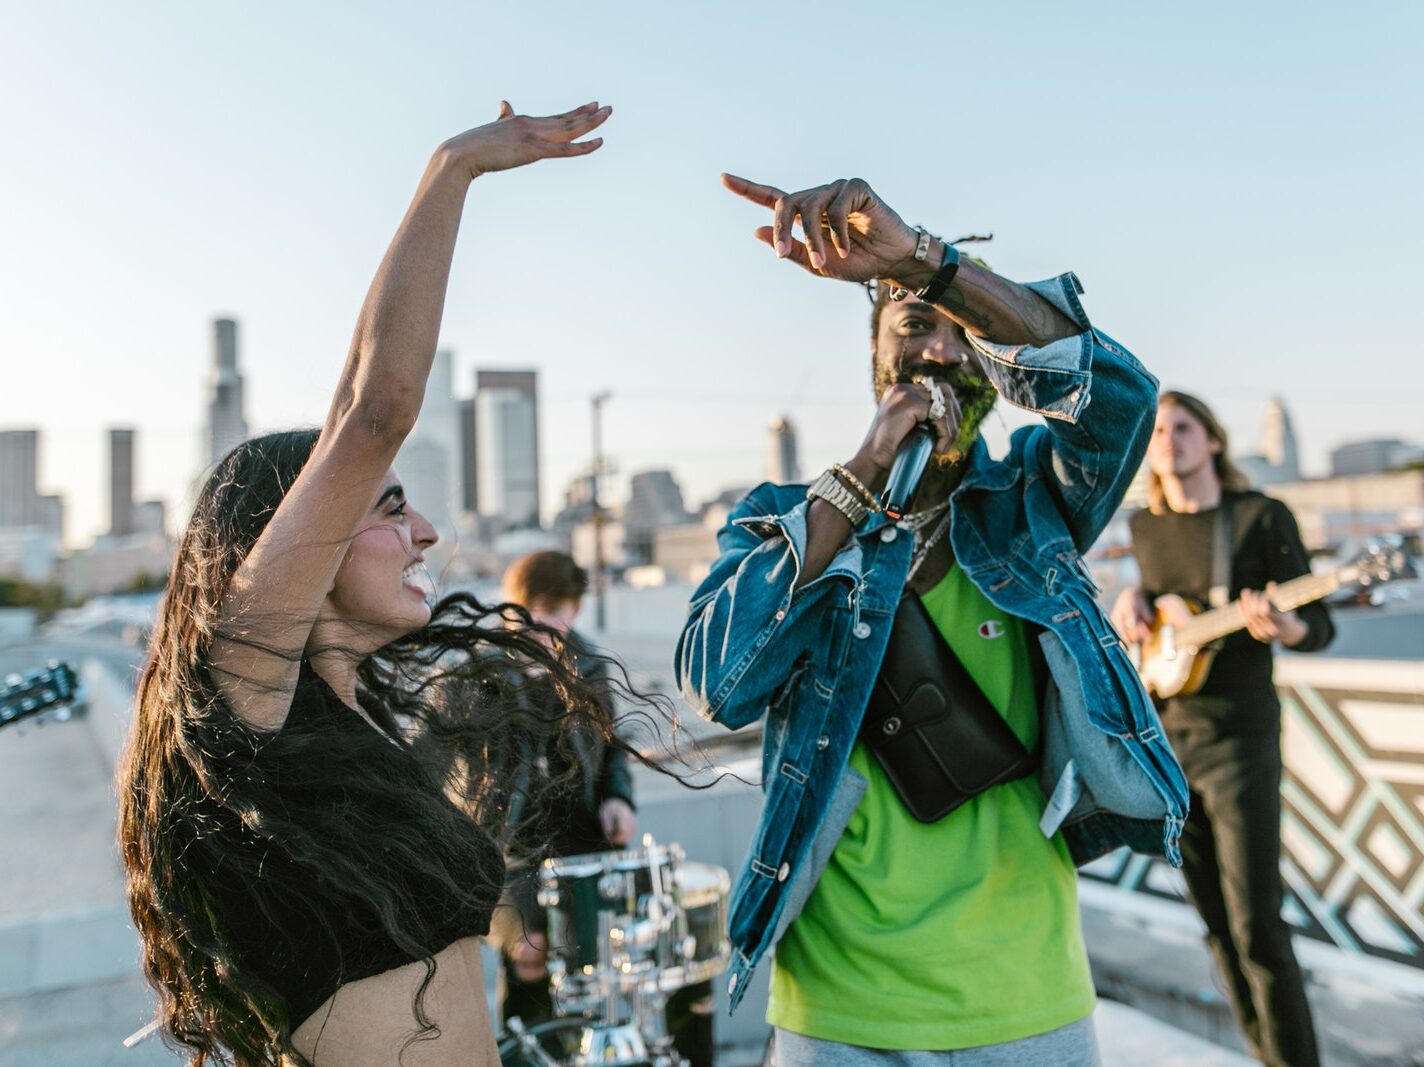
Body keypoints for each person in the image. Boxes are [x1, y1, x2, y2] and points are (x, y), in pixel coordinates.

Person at [117, 100, 615, 1067]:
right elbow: (369, 407)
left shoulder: (348, 735)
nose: (425, 530)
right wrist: (453, 168)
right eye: (388, 509)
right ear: (289, 545)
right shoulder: (244, 708)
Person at [676, 175, 1190, 1066]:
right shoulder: (782, 519)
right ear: (875, 357)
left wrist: (930, 266)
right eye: (915, 325)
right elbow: (715, 684)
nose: (943, 353)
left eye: (968, 334)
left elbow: (1123, 402)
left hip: (1027, 996)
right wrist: (861, 476)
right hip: (839, 1012)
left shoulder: (1034, 499)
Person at [1111, 391, 1332, 1067]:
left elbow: (1318, 627)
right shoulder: (1145, 526)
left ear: (1213, 441)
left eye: (1183, 428)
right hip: (1170, 743)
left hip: (1240, 741)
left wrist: (1284, 623)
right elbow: (1163, 635)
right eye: (1157, 432)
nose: (1168, 440)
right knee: (1215, 928)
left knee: (1258, 924)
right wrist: (1134, 602)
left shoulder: (1261, 516)